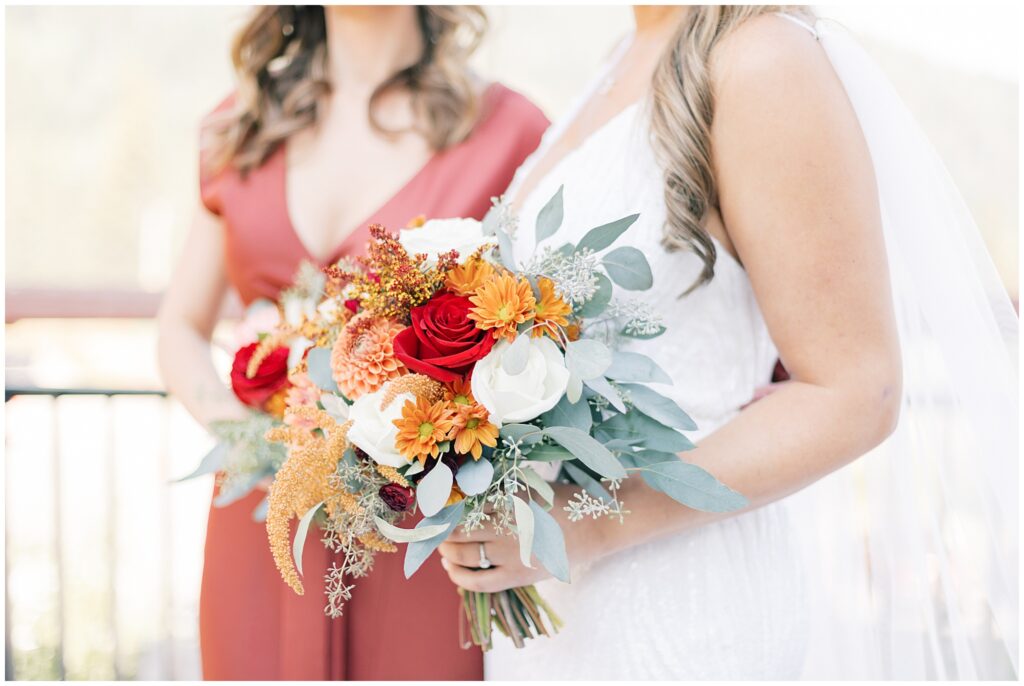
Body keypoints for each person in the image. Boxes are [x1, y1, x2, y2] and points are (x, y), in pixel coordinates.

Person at [438, 6, 1017, 679]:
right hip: (560, 613)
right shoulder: (622, 55)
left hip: (684, 607)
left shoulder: (762, 58)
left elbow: (857, 390)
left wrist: (590, 523)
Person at [157, 5, 548, 679]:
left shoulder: (508, 131)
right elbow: (179, 328)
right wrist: (260, 444)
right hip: (265, 518)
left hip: (415, 525)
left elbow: (537, 329)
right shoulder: (241, 127)